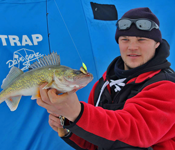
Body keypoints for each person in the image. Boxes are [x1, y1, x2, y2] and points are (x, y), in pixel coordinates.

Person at [36, 7, 175, 150]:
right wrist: (69, 127)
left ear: (157, 43)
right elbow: (98, 142)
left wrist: (77, 112)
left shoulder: (167, 86)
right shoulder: (103, 85)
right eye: (125, 39)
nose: (132, 47)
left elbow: (135, 132)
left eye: (142, 40)